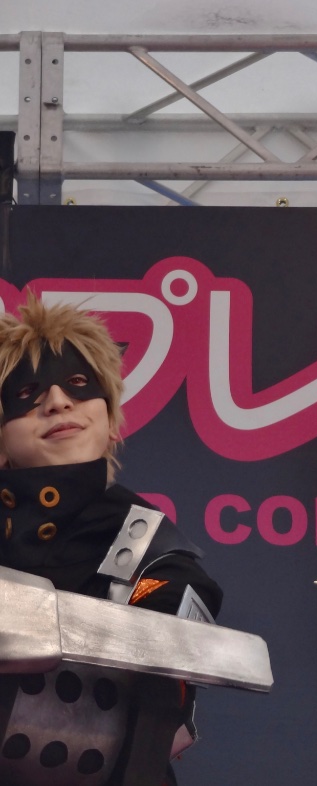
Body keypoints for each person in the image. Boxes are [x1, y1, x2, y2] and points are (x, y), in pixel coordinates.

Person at [0, 295, 223, 785]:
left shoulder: (147, 544)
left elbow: (176, 616)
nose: (58, 402)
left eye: (79, 385)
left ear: (108, 411)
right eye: (27, 392)